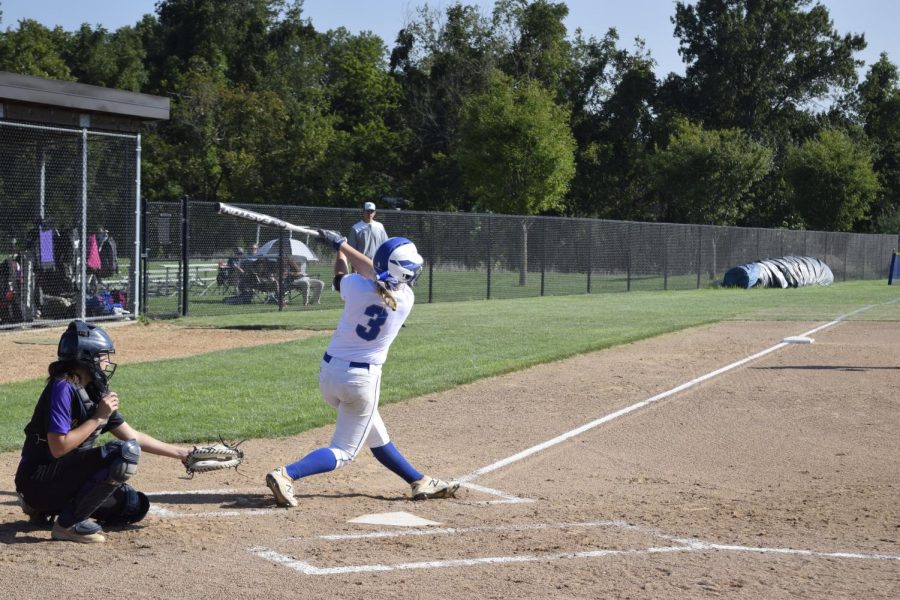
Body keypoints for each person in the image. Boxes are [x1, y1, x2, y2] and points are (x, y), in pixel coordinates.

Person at [265, 232, 458, 507]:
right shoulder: (405, 300)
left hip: (329, 375)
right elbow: (377, 273)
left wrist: (340, 250)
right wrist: (342, 245)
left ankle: (418, 481)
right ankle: (286, 474)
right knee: (344, 451)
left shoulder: (355, 286)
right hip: (360, 383)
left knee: (375, 433)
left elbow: (344, 277)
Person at [14, 320, 192, 543]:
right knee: (123, 453)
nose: (107, 361)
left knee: (133, 505)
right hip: (38, 480)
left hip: (63, 479)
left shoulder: (93, 391)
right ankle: (67, 525)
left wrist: (183, 453)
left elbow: (133, 435)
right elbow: (58, 448)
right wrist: (99, 417)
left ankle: (45, 508)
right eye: (103, 355)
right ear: (86, 357)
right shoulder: (62, 387)